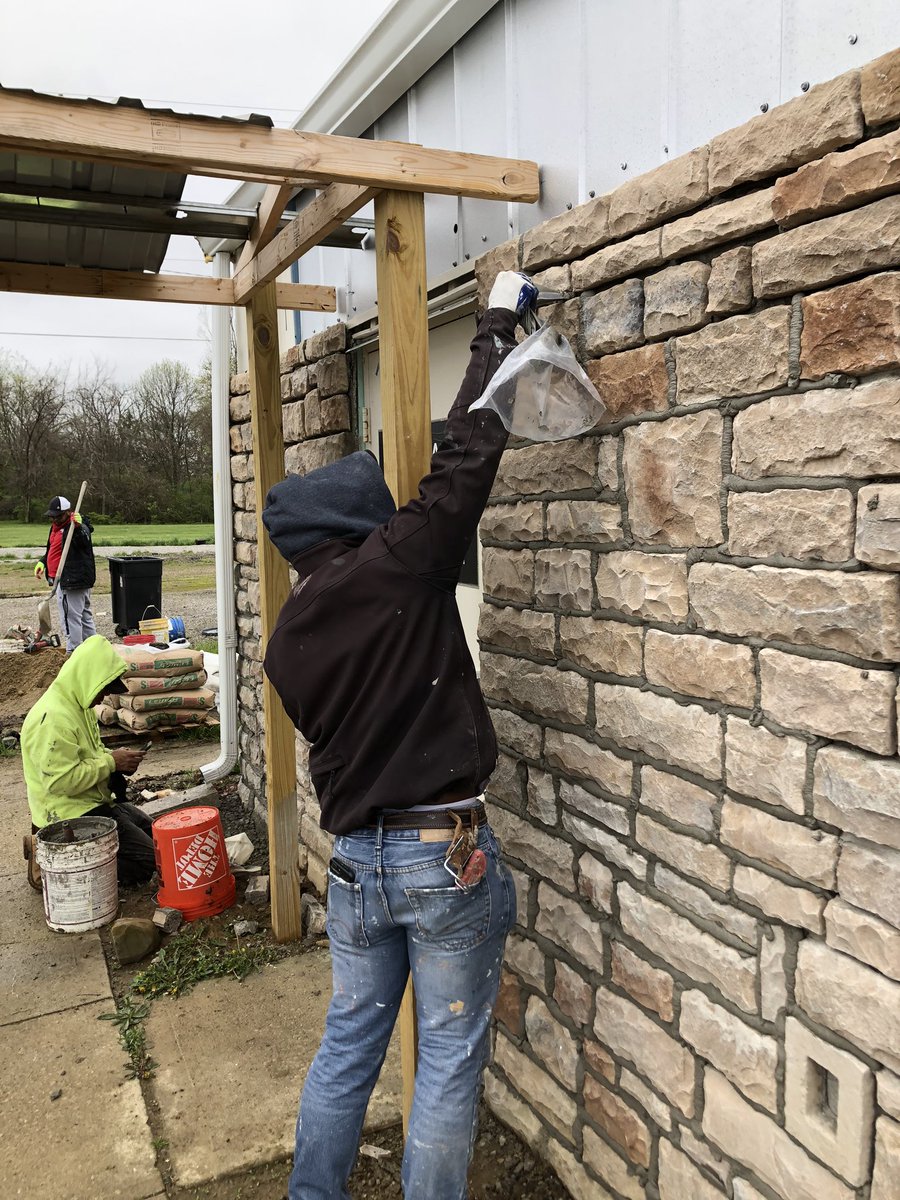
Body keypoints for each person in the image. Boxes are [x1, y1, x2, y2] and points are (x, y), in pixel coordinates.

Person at [262, 272, 541, 1200]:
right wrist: (495, 323)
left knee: (350, 1043)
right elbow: (464, 456)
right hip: (442, 859)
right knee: (449, 1065)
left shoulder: (289, 641)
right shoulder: (396, 567)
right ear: (361, 526)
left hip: (356, 868)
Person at [21, 634, 155, 891]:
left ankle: (57, 857)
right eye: (103, 689)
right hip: (67, 815)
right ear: (88, 679)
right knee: (148, 862)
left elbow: (90, 753)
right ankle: (54, 864)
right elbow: (60, 782)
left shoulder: (77, 705)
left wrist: (115, 758)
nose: (102, 697)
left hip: (89, 802)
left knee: (154, 833)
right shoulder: (53, 719)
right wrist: (111, 764)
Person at [34, 494, 97, 653]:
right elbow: (52, 550)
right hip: (64, 579)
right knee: (83, 617)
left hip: (73, 580)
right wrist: (43, 562)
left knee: (71, 620)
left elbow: (84, 544)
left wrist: (79, 527)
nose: (54, 520)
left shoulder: (76, 528)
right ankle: (94, 651)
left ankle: (73, 653)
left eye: (58, 516)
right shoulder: (55, 528)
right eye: (52, 517)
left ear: (68, 512)